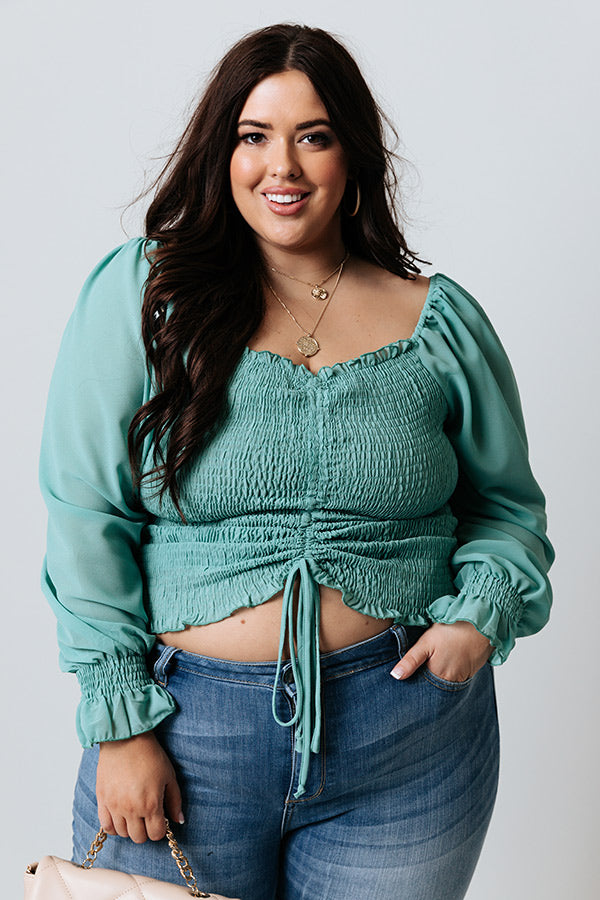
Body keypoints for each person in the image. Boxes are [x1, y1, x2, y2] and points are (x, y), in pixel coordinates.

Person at [38, 22, 554, 900]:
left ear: (353, 156)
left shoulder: (440, 322)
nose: (282, 166)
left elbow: (506, 508)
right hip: (184, 735)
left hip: (408, 739)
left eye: (313, 136)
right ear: (222, 151)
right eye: (254, 136)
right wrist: (120, 724)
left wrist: (479, 619)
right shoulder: (145, 296)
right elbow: (86, 511)